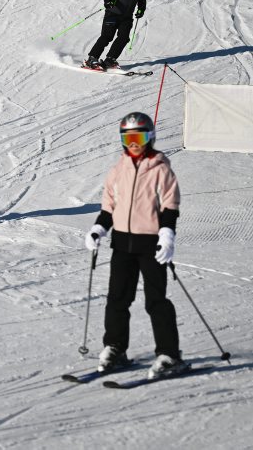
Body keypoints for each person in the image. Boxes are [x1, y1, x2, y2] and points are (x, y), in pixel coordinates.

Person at [85, 112, 187, 380]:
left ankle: (169, 355)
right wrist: (99, 228)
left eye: (139, 138)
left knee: (156, 301)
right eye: (129, 138)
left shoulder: (161, 169)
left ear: (150, 137)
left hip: (150, 244)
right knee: (117, 299)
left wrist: (167, 234)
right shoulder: (118, 170)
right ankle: (115, 348)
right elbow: (109, 206)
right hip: (121, 244)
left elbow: (169, 205)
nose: (134, 144)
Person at [83, 0, 146, 71]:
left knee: (124, 38)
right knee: (107, 36)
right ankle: (92, 59)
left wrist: (141, 9)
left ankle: (110, 59)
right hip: (113, 12)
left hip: (127, 16)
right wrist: (107, 1)